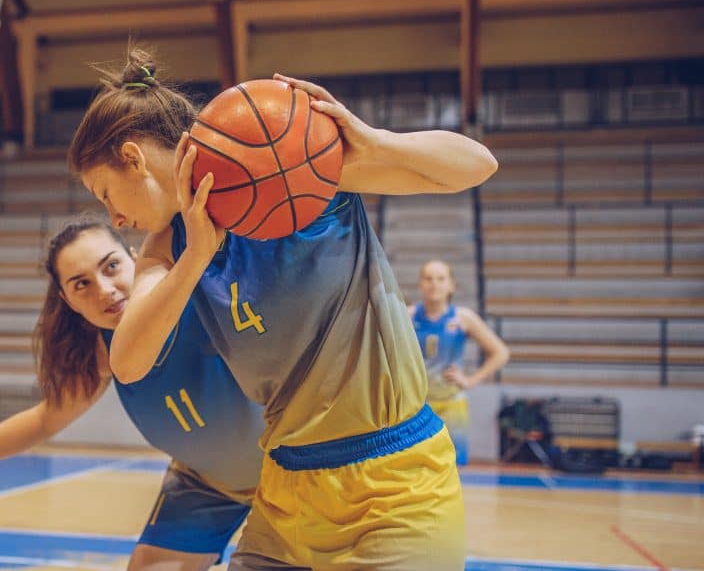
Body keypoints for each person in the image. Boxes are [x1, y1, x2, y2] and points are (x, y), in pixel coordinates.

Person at [68, 48, 499, 571]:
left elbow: (478, 165)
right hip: (285, 490)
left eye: (106, 193)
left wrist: (371, 141)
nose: (113, 216)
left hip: (393, 485)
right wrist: (198, 254)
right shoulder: (168, 246)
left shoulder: (290, 167)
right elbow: (129, 361)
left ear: (134, 159)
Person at [0, 217, 265, 571]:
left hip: (291, 465)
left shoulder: (200, 299)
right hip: (206, 485)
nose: (105, 289)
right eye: (81, 283)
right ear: (68, 299)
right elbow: (44, 420)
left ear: (136, 258)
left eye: (111, 266)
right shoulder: (102, 354)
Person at [409, 259, 510, 465]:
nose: (434, 284)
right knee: (415, 466)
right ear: (420, 284)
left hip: (452, 405)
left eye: (440, 278)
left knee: (451, 466)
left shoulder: (463, 318)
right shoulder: (407, 315)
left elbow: (500, 352)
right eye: (428, 278)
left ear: (451, 285)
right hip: (417, 406)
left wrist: (470, 381)